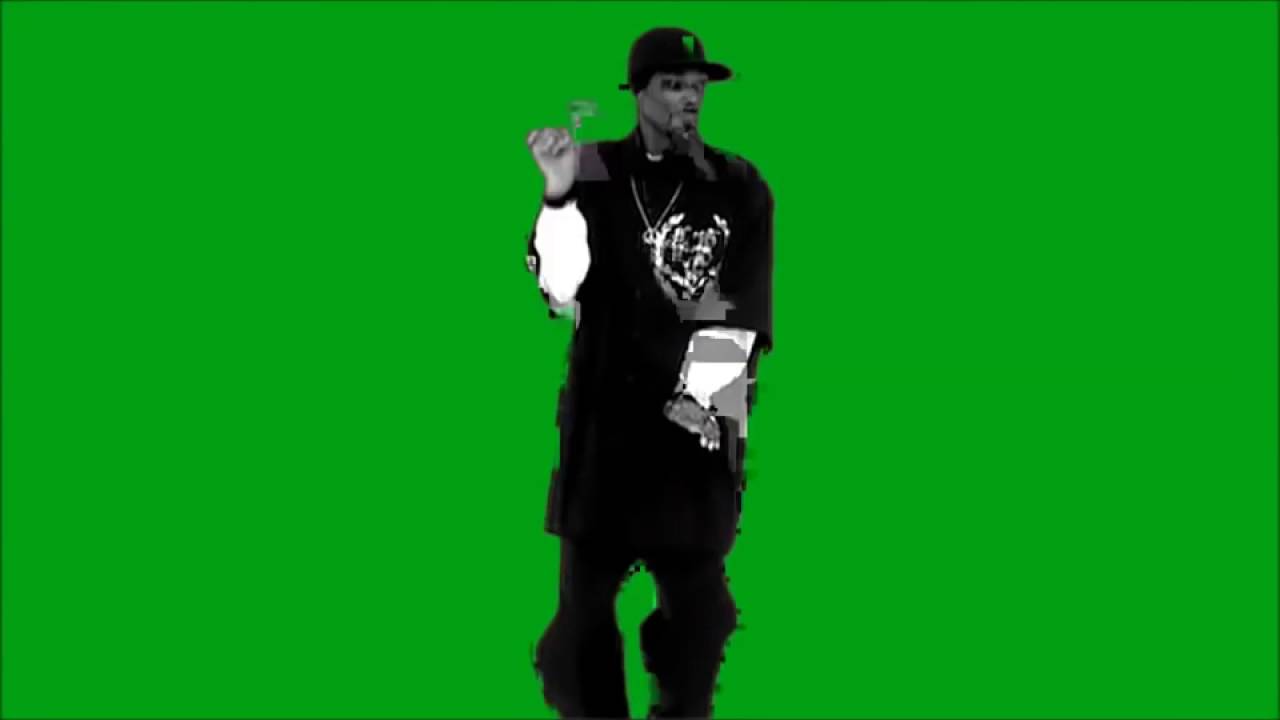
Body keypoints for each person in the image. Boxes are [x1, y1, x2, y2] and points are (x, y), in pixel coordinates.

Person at [524, 26, 774, 719]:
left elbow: (745, 303)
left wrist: (700, 397)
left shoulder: (739, 185)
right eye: (672, 85)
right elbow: (560, 291)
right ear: (638, 93)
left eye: (696, 87)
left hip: (693, 436)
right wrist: (558, 194)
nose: (689, 98)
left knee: (702, 619)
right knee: (580, 625)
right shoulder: (595, 168)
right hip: (605, 429)